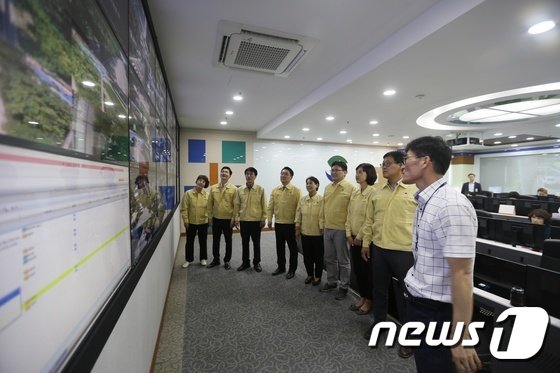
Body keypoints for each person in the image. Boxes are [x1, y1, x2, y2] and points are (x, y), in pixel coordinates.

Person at [401, 136, 482, 373]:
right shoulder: (427, 200)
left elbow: (463, 273)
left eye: (407, 158)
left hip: (438, 315)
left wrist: (460, 337)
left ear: (425, 161)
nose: (403, 164)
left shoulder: (450, 205)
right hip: (419, 304)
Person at [361, 151, 417, 359]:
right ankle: (379, 324)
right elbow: (369, 221)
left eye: (388, 164)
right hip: (380, 249)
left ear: (402, 166)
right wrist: (366, 243)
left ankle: (409, 336)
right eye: (382, 163)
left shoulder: (415, 190)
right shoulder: (378, 192)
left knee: (407, 296)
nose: (383, 167)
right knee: (379, 291)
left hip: (404, 252)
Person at [319, 161, 354, 300]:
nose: (333, 172)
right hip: (328, 228)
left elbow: (351, 212)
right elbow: (324, 207)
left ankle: (344, 286)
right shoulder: (327, 187)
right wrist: (322, 225)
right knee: (329, 258)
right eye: (332, 170)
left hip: (341, 229)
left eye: (337, 170)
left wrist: (348, 231)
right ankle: (332, 281)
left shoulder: (350, 188)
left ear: (345, 172)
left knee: (343, 260)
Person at [346, 163, 376, 315]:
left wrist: (358, 237)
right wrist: (348, 234)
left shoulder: (373, 193)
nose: (357, 175)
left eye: (360, 172)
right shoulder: (355, 193)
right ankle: (362, 297)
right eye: (356, 172)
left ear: (368, 174)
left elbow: (369, 220)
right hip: (353, 240)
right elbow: (349, 215)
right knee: (357, 271)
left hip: (365, 242)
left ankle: (369, 300)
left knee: (367, 273)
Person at [267, 167, 301, 279]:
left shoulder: (296, 190)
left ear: (291, 177)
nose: (283, 176)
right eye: (281, 174)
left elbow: (299, 209)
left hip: (291, 224)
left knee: (292, 248)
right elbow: (270, 206)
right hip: (279, 223)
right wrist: (269, 220)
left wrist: (297, 225)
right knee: (279, 247)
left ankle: (292, 269)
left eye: (286, 174)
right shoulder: (275, 190)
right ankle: (281, 267)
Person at [234, 167, 267, 272]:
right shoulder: (239, 190)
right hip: (244, 220)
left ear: (255, 176)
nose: (249, 176)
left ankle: (257, 263)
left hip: (256, 221)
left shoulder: (260, 189)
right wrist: (236, 218)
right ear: (245, 175)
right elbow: (237, 205)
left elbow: (264, 204)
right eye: (247, 174)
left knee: (256, 243)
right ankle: (245, 262)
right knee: (245, 242)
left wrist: (263, 218)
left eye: (251, 174)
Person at [295, 176, 324, 286]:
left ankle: (318, 276)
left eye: (311, 183)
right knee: (307, 256)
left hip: (317, 233)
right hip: (305, 232)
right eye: (307, 183)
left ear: (316, 185)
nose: (308, 185)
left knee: (318, 257)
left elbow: (322, 215)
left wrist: (322, 228)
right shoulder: (302, 199)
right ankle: (309, 274)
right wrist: (297, 228)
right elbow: (298, 214)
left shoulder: (321, 199)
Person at [207, 166, 237, 270]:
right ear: (220, 174)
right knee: (215, 240)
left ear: (229, 175)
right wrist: (209, 217)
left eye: (226, 172)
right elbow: (209, 204)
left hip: (228, 220)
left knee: (228, 241)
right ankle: (216, 259)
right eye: (222, 171)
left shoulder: (234, 189)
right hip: (216, 218)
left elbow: (236, 205)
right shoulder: (213, 188)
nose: (224, 173)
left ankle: (227, 260)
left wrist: (234, 218)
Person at [180, 175, 210, 268]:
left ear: (205, 184)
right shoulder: (188, 193)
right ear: (196, 181)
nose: (201, 182)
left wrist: (209, 218)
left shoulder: (207, 195)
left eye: (203, 181)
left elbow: (209, 209)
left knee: (203, 241)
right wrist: (185, 220)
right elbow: (184, 208)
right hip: (191, 222)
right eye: (200, 180)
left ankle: (203, 258)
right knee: (189, 241)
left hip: (203, 222)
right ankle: (188, 260)